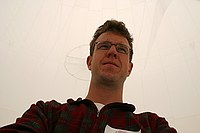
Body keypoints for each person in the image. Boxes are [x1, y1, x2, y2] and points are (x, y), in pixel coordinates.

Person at [0, 20, 177, 133]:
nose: (113, 51)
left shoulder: (151, 125)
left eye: (122, 49)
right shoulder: (48, 113)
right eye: (104, 46)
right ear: (89, 62)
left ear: (130, 68)